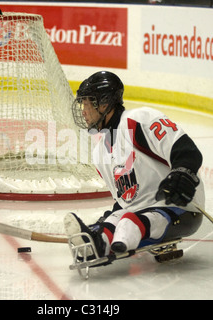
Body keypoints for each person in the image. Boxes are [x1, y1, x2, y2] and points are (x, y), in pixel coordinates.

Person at [65, 71, 205, 261]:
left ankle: (119, 237)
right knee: (115, 220)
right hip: (138, 211)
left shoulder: (139, 120)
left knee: (128, 224)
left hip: (179, 207)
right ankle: (97, 243)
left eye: (87, 104)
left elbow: (187, 151)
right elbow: (123, 201)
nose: (83, 111)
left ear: (104, 103)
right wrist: (105, 223)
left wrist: (182, 174)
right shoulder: (100, 153)